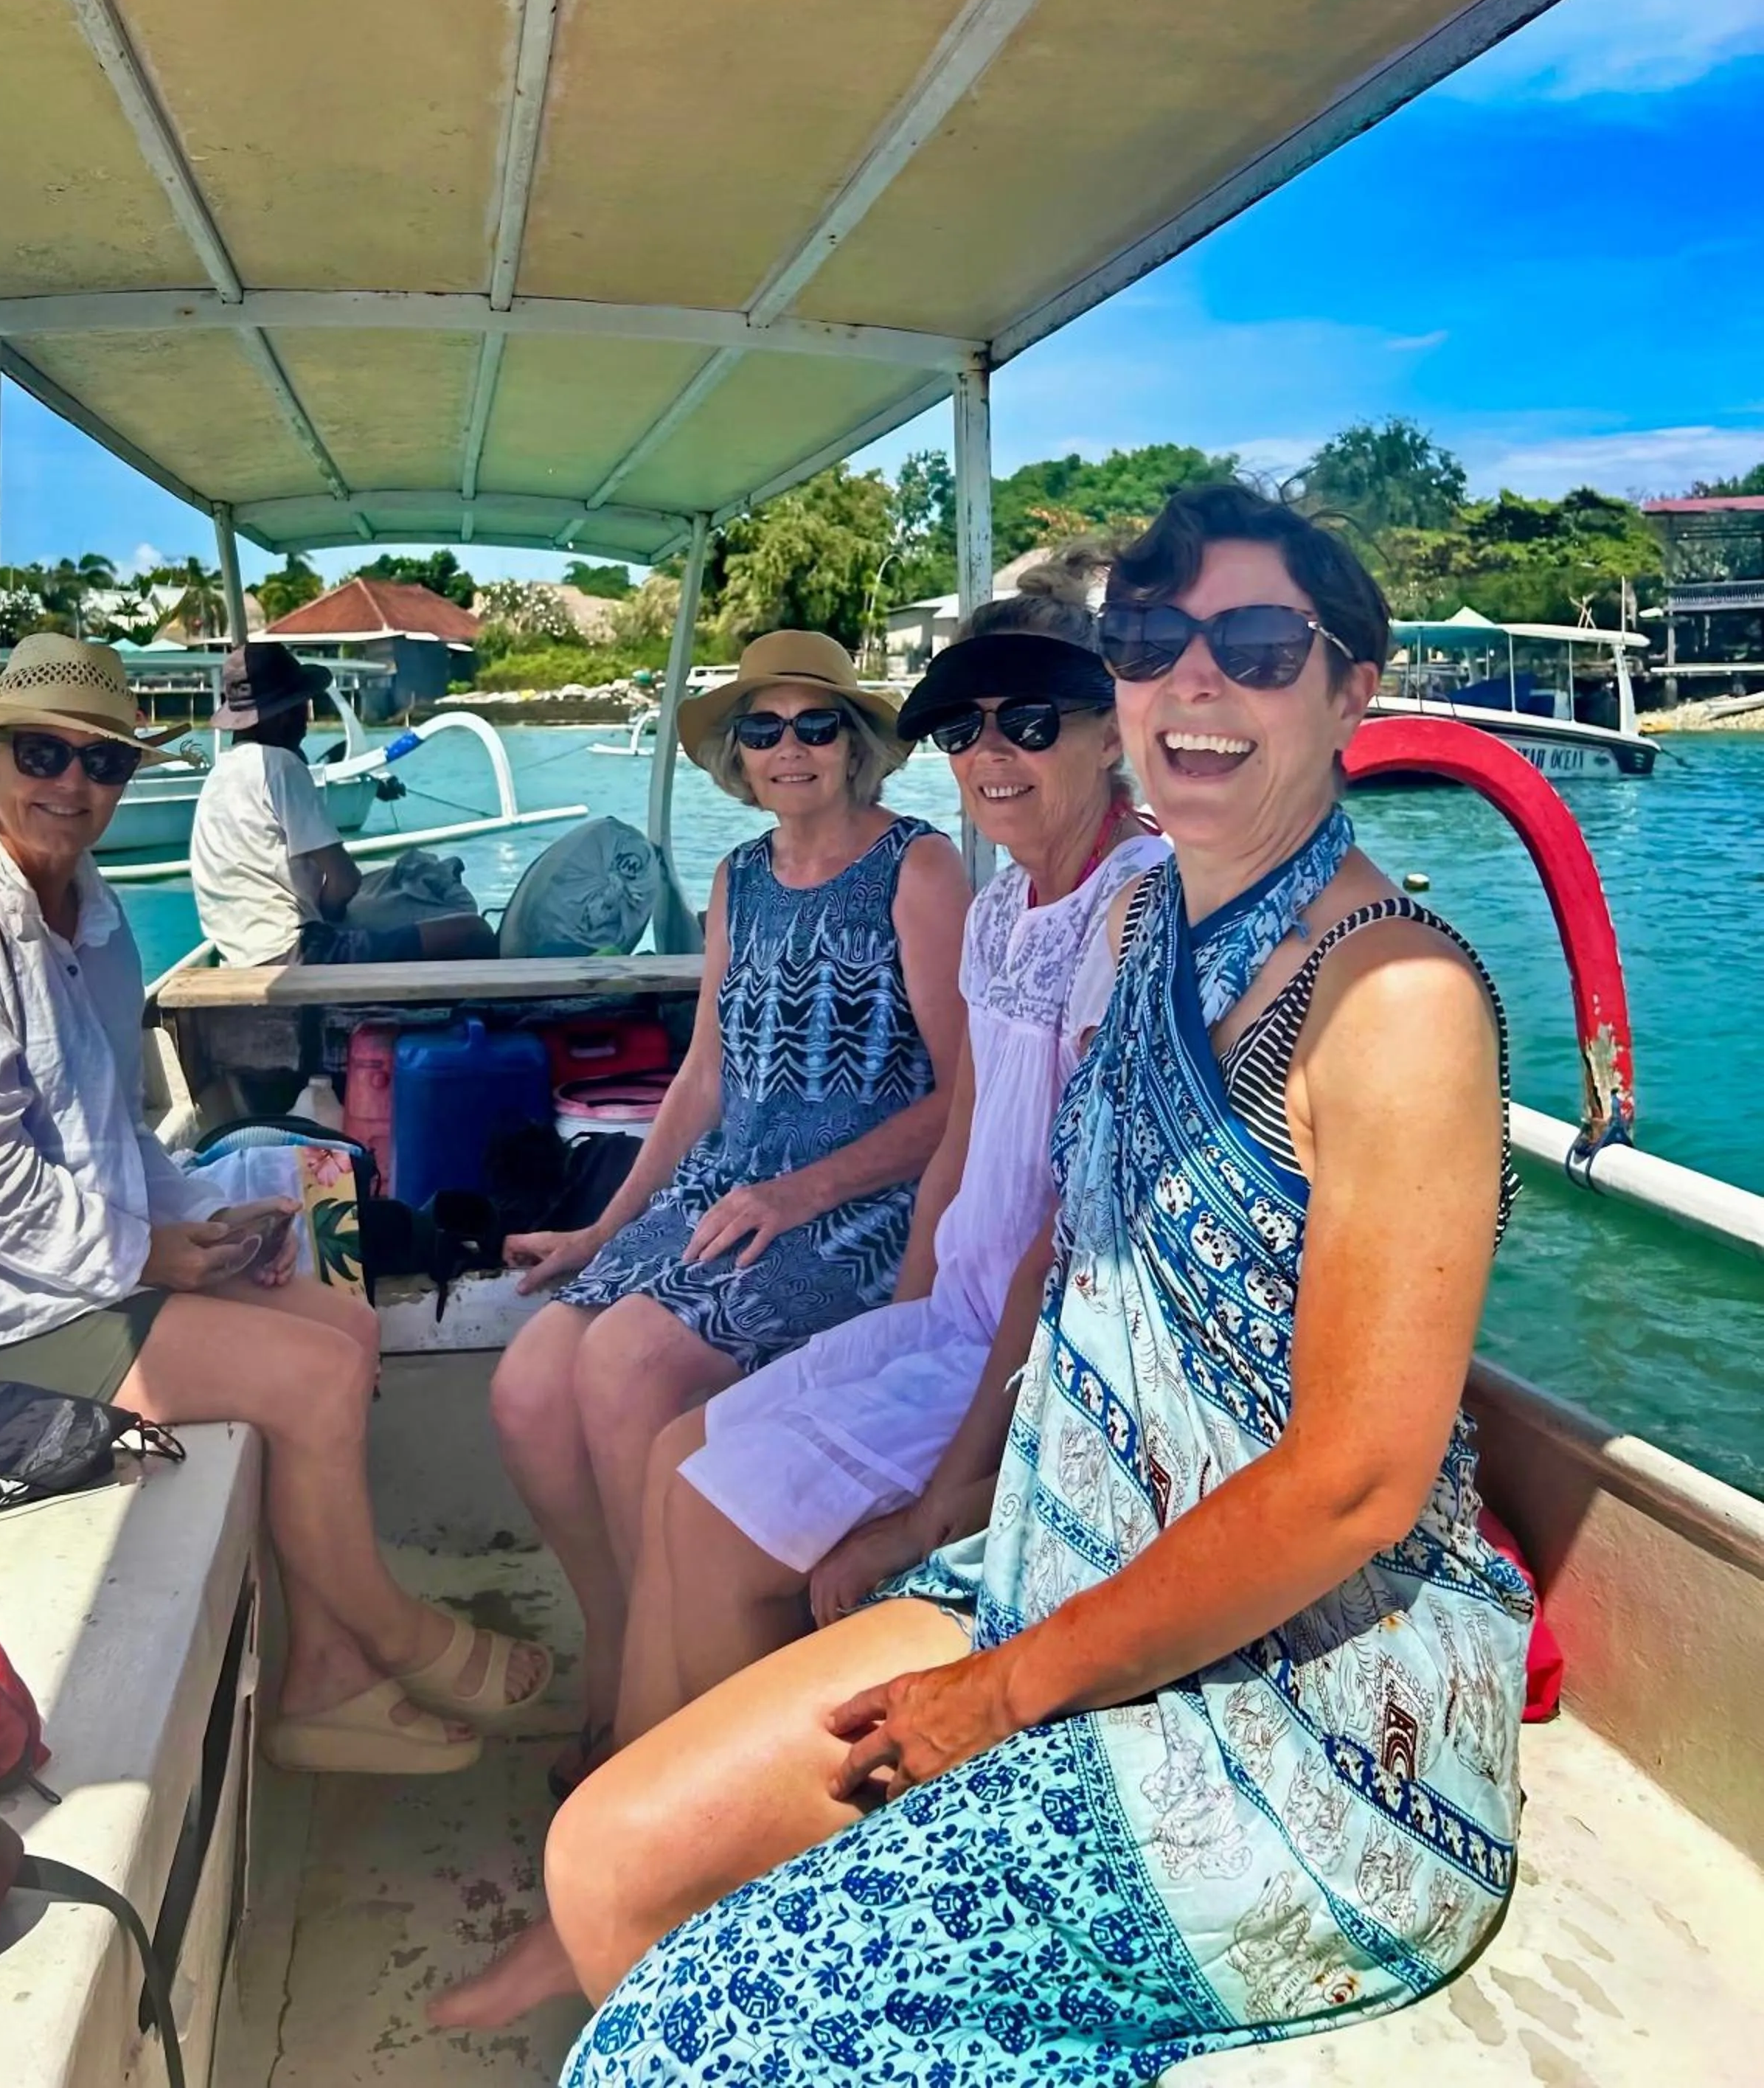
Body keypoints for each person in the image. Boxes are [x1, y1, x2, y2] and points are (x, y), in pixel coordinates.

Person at [543, 483, 1533, 2084]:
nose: (1195, 682)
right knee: (608, 1863)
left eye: (1262, 646)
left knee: (657, 2048)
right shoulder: (1148, 924)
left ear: (1354, 689)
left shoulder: (1393, 995)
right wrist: (952, 1516)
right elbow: (1056, 1254)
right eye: (1153, 643)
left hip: (1307, 1719)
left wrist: (1000, 1690)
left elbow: (1355, 1483)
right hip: (1057, 1570)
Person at [432, 590, 1170, 2031]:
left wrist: (943, 1475)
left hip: (981, 1315)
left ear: (1112, 731)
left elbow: (1031, 1192)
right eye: (968, 726)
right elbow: (780, 1095)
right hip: (921, 1288)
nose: (994, 755)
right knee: (616, 1430)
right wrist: (617, 1228)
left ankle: (637, 1894)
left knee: (669, 1450)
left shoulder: (1061, 896)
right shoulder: (1010, 890)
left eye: (1033, 722)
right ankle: (622, 1826)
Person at [0, 634, 549, 1777]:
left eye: (100, 764)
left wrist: (202, 1221)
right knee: (302, 1377)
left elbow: (109, 1133)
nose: (71, 784)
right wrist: (154, 1255)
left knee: (344, 1320)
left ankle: (317, 1681)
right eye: (43, 754)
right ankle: (385, 1643)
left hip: (70, 1292)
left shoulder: (90, 919)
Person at [489, 630, 972, 1798]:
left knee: (624, 1370)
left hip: (859, 1208)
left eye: (817, 727)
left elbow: (968, 1093)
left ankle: (670, 1736)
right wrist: (603, 1233)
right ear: (740, 758)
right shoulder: (737, 880)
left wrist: (801, 1190)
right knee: (525, 1386)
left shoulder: (920, 868)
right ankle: (622, 1655)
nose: (790, 749)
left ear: (858, 748)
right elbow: (703, 1077)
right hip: (731, 1192)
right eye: (765, 729)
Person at [190, 640, 496, 966]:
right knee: (474, 932)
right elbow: (345, 880)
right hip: (300, 955)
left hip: (241, 956)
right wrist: (335, 916)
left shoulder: (219, 774)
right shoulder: (280, 765)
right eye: (301, 708)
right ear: (282, 715)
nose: (306, 723)